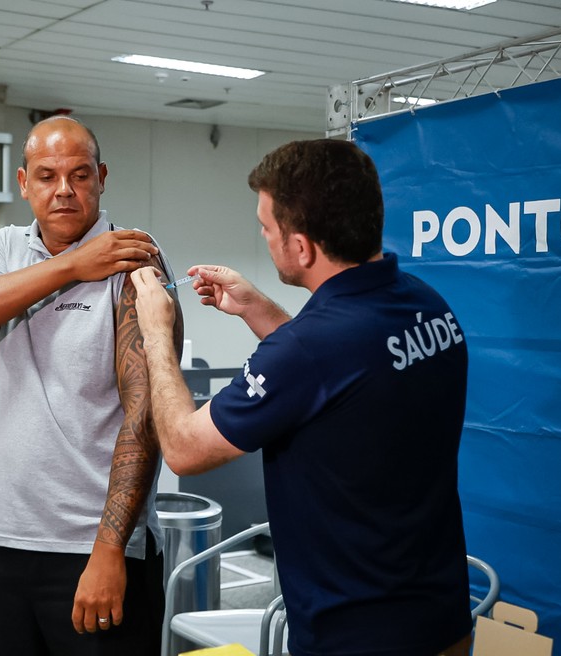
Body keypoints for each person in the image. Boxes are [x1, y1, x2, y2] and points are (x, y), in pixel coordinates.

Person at [130, 138, 473, 656]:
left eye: (267, 228)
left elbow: (183, 447)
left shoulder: (310, 349)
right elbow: (340, 381)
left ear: (302, 247)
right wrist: (257, 309)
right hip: (441, 619)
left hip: (355, 637)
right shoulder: (427, 305)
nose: (263, 237)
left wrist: (156, 331)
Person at [0, 115, 183, 656]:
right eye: (46, 176)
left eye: (80, 175)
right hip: (6, 540)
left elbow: (145, 415)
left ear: (102, 178)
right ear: (23, 183)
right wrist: (72, 266)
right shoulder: (6, 248)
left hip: (96, 549)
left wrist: (110, 548)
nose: (64, 189)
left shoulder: (132, 256)